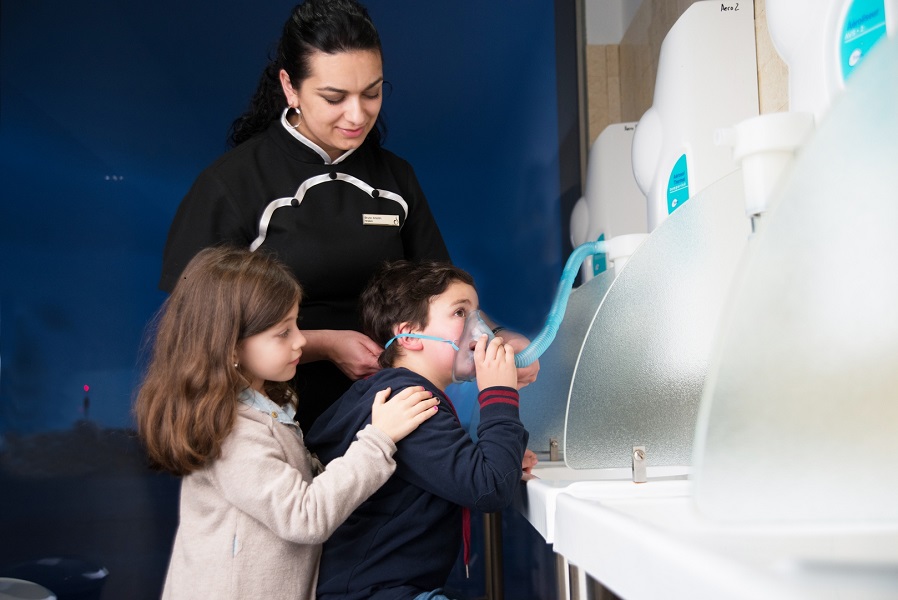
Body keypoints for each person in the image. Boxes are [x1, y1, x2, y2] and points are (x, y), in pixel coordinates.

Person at [157, 0, 538, 432]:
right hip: (270, 421)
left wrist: (495, 338)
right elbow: (194, 331)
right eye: (334, 98)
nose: (357, 115)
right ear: (290, 87)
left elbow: (448, 297)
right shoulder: (233, 184)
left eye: (371, 93)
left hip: (391, 417)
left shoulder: (395, 178)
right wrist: (324, 345)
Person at [134, 247, 439, 600]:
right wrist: (379, 439)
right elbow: (305, 517)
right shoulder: (233, 433)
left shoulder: (267, 407)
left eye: (297, 323)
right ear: (231, 348)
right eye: (283, 333)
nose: (301, 341)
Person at [305, 260, 537, 600]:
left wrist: (503, 456)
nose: (479, 329)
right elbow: (489, 488)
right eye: (460, 313)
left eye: (476, 314)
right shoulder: (410, 400)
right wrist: (499, 393)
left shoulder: (398, 393)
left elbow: (470, 470)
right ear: (410, 336)